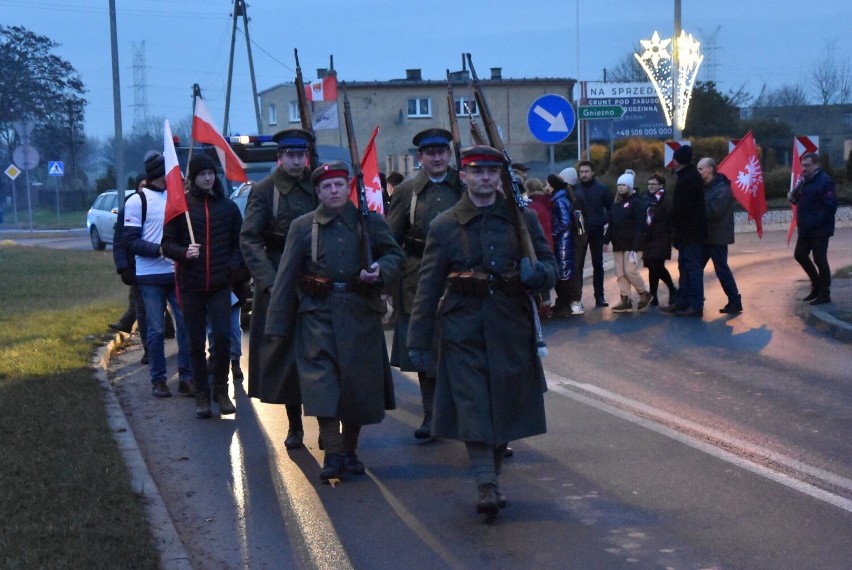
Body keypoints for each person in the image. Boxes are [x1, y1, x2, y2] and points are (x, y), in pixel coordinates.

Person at [407, 145, 557, 516]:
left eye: (492, 171)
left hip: (510, 322)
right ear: (465, 177)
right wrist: (418, 341)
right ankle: (486, 483)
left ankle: (493, 474)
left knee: (505, 403)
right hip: (463, 325)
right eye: (477, 172)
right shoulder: (444, 225)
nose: (485, 178)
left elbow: (551, 264)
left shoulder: (522, 219)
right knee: (473, 404)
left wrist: (540, 275)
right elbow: (427, 286)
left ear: (500, 176)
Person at [265, 161, 404, 481]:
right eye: (327, 186)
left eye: (339, 184)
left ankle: (350, 451)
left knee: (356, 386)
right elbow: (286, 277)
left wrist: (380, 270)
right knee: (322, 385)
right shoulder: (303, 227)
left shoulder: (368, 222)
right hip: (318, 314)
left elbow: (395, 255)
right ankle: (332, 452)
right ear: (317, 192)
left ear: (348, 188)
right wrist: (276, 324)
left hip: (360, 313)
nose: (334, 191)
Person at [240, 128, 318, 447]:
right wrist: (270, 281)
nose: (297, 161)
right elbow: (249, 239)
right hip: (279, 278)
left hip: (317, 278)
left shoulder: (319, 184)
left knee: (322, 351)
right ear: (280, 157)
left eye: (301, 155)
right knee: (285, 355)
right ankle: (294, 424)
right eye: (290, 155)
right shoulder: (264, 190)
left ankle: (328, 423)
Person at [385, 128, 464, 440]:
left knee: (463, 350)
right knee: (426, 352)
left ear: (448, 153)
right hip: (419, 278)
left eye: (442, 151)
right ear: (420, 157)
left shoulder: (462, 184)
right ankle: (431, 416)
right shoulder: (407, 192)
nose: (437, 157)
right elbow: (391, 240)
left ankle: (467, 418)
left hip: (461, 274)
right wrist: (388, 287)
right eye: (430, 152)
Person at [162, 154, 245, 418]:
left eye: (211, 173)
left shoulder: (228, 208)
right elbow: (167, 244)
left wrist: (232, 268)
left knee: (222, 338)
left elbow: (239, 244)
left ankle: (221, 389)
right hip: (192, 285)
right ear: (193, 178)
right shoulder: (182, 208)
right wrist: (185, 252)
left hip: (220, 285)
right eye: (202, 174)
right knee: (195, 341)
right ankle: (201, 394)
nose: (208, 178)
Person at [124, 151, 192, 397]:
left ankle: (186, 377)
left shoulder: (178, 198)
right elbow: (130, 241)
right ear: (160, 174)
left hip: (177, 273)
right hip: (149, 276)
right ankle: (158, 379)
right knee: (155, 330)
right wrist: (159, 249)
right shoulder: (137, 201)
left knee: (185, 325)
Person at [661, 145, 707, 318]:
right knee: (685, 268)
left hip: (690, 232)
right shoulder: (690, 176)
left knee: (692, 269)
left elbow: (683, 207)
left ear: (678, 160)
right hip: (689, 232)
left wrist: (673, 220)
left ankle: (694, 304)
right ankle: (683, 301)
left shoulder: (688, 178)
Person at [789, 152, 838, 305]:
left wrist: (815, 221)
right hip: (805, 228)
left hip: (820, 229)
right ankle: (816, 285)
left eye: (807, 165)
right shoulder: (803, 181)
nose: (804, 168)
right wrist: (793, 196)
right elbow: (799, 199)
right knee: (800, 255)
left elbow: (830, 206)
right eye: (803, 165)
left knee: (819, 259)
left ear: (816, 165)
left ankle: (824, 293)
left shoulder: (824, 181)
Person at [111, 175, 149, 364]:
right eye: (141, 186)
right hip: (136, 269)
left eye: (147, 186)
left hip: (161, 267)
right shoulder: (127, 211)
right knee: (143, 309)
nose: (144, 189)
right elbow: (119, 242)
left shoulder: (159, 207)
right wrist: (123, 267)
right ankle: (149, 349)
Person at [698, 157, 743, 314]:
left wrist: (696, 203)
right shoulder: (705, 187)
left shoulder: (722, 189)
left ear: (710, 169)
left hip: (717, 236)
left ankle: (735, 300)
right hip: (705, 236)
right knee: (696, 267)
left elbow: (714, 212)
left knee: (721, 269)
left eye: (700, 169)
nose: (698, 172)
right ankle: (695, 298)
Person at [606, 170, 652, 313]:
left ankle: (644, 294)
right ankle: (625, 299)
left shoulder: (637, 203)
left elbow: (640, 225)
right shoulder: (617, 203)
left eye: (624, 185)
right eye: (619, 185)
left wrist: (636, 245)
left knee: (630, 271)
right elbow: (612, 223)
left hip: (633, 244)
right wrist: (605, 240)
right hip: (619, 243)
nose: (620, 187)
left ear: (630, 186)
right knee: (620, 273)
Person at [575, 160, 614, 307]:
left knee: (598, 264)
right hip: (580, 231)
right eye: (582, 172)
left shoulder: (602, 189)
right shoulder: (575, 189)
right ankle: (577, 298)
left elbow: (611, 209)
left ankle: (600, 296)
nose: (584, 174)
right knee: (578, 265)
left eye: (586, 171)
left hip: (597, 230)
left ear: (593, 173)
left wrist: (604, 222)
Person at [643, 173, 677, 306]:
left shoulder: (666, 200)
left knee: (657, 265)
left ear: (661, 185)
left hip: (661, 237)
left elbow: (671, 220)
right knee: (652, 267)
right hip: (649, 238)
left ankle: (672, 289)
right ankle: (654, 296)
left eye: (653, 184)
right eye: (649, 184)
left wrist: (672, 238)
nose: (650, 186)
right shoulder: (646, 198)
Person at [548, 174, 577, 317]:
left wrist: (552, 233)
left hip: (562, 242)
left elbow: (564, 221)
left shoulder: (559, 201)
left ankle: (564, 303)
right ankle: (563, 302)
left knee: (563, 273)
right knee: (563, 272)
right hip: (564, 241)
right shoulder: (562, 198)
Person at [560, 167, 587, 315]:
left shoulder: (574, 197)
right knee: (575, 268)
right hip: (578, 236)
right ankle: (572, 300)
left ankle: (575, 300)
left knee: (574, 269)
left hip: (574, 237)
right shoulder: (578, 194)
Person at [526, 178, 553, 318]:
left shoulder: (531, 207)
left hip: (535, 246)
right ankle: (547, 305)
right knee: (546, 274)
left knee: (536, 273)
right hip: (548, 242)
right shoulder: (547, 202)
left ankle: (538, 306)